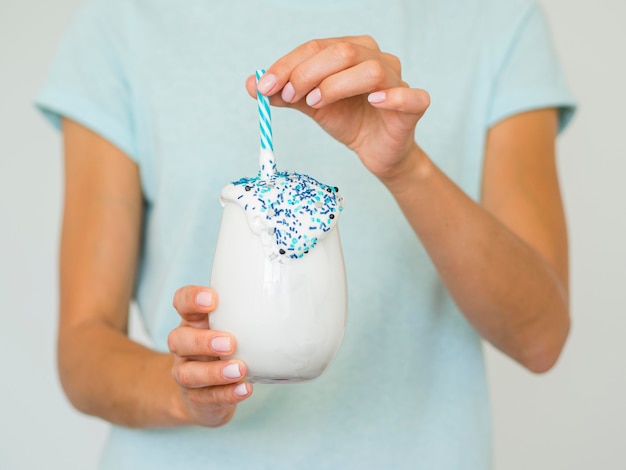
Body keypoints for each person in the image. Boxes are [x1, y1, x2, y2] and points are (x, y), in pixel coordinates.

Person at [36, 0, 575, 468]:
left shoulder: (498, 21)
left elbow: (539, 337)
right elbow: (84, 345)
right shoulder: (122, 24)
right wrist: (185, 394)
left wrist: (405, 168)